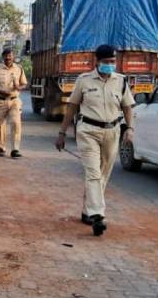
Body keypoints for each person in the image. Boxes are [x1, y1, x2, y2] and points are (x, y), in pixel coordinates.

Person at [56, 44, 135, 237]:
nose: (110, 65)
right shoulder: (83, 80)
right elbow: (72, 107)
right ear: (97, 62)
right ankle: (98, 215)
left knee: (103, 174)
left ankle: (87, 210)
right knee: (92, 172)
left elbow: (127, 107)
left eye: (112, 61)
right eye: (106, 61)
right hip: (88, 131)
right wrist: (62, 132)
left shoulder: (121, 81)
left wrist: (130, 128)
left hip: (112, 131)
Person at [0, 48, 28, 158]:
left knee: (16, 123)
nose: (8, 58)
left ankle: (15, 149)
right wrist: (2, 91)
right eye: (6, 56)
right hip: (0, 100)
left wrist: (19, 87)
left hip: (14, 100)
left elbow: (24, 84)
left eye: (10, 56)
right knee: (0, 125)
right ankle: (2, 147)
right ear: (3, 57)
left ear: (13, 57)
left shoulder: (19, 69)